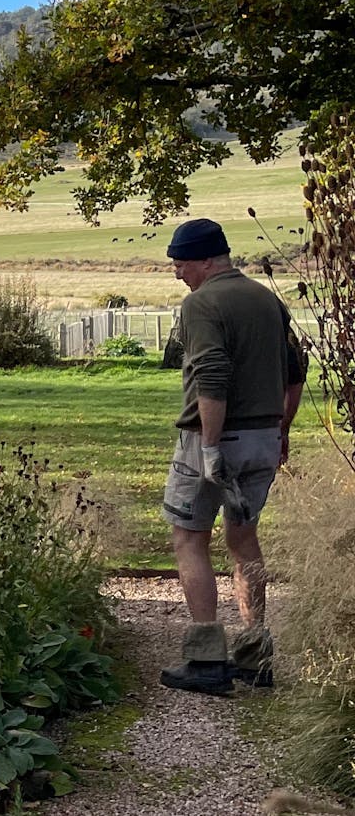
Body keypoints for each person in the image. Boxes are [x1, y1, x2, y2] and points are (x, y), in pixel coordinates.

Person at [158, 219, 305, 695]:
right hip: (263, 438)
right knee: (244, 540)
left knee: (189, 538)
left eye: (180, 263)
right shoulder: (267, 299)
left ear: (205, 260)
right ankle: (254, 653)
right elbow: (296, 370)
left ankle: (205, 660)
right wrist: (280, 430)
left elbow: (212, 377)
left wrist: (211, 446)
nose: (178, 272)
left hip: (213, 439)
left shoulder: (202, 303)